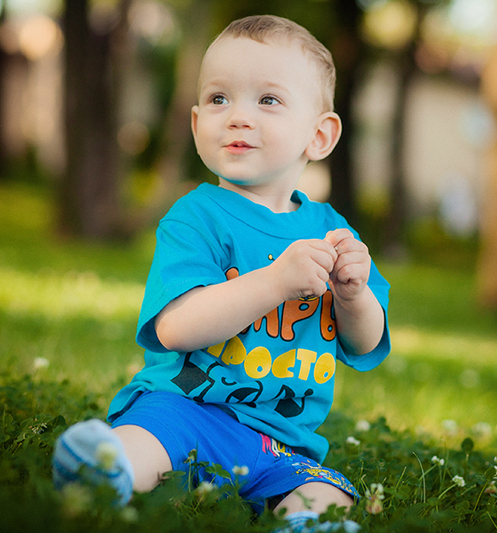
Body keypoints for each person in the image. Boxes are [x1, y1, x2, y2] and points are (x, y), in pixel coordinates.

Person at [52, 14, 390, 533]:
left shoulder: (333, 232)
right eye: (218, 99)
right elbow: (176, 327)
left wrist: (353, 296)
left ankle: (310, 522)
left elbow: (365, 343)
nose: (237, 117)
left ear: (319, 136)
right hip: (185, 409)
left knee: (327, 491)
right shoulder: (196, 218)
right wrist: (276, 281)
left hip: (280, 443)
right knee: (147, 442)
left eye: (268, 100)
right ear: (195, 126)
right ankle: (105, 469)